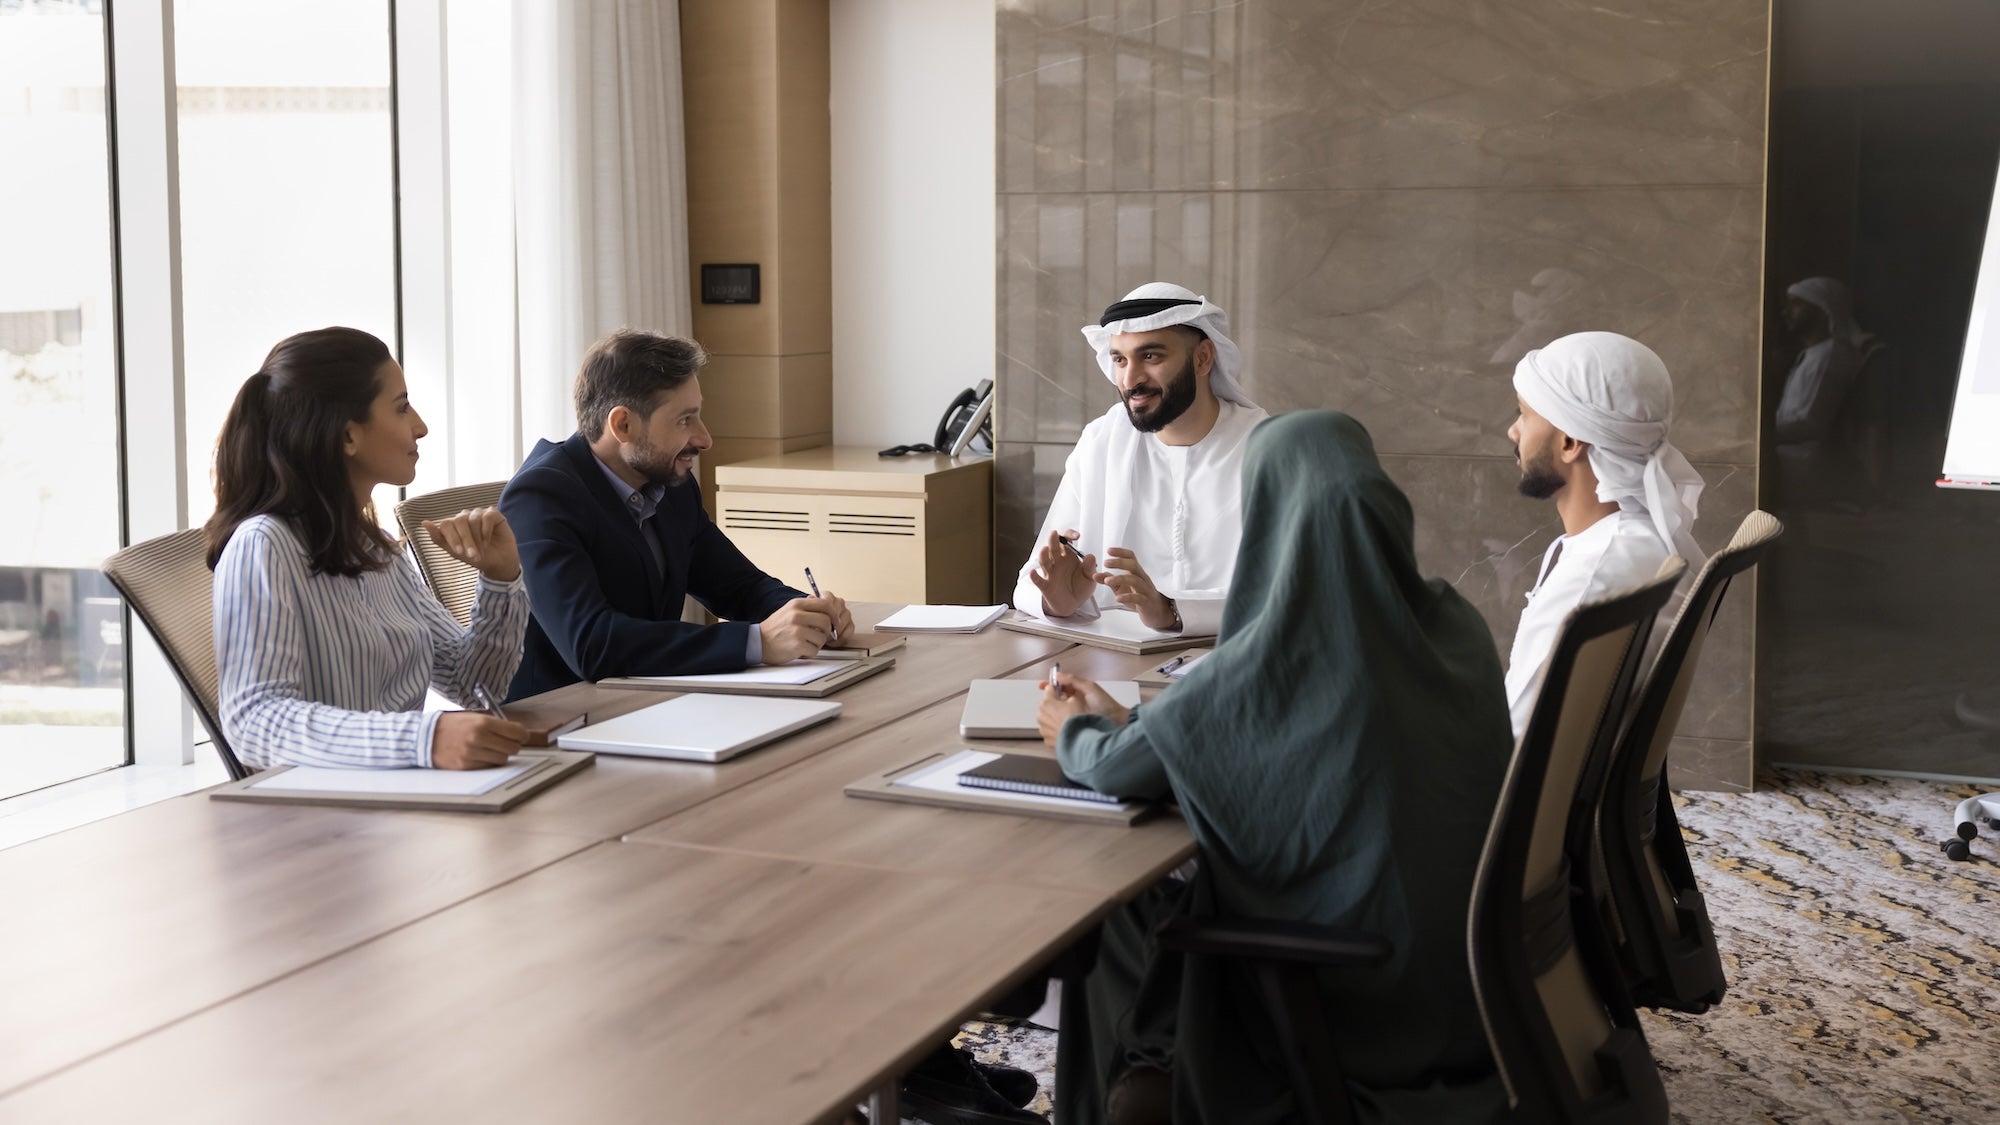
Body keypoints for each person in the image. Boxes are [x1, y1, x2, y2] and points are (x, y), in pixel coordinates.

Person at [1036, 411, 1512, 1125]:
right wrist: (1129, 722)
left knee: (1122, 895)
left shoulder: (1261, 664)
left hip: (1342, 991)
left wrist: (1073, 726)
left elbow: (1111, 768)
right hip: (1466, 982)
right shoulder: (1456, 626)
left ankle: (1134, 1089)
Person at [208, 327, 531, 771]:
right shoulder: (262, 545)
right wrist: (421, 740)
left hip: (401, 795)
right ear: (347, 437)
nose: (421, 426)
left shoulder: (377, 551)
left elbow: (473, 685)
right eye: (401, 407)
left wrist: (500, 578)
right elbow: (254, 722)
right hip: (323, 809)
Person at [500, 329, 850, 700]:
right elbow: (592, 644)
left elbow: (738, 586)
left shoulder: (669, 483)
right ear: (623, 425)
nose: (704, 439)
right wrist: (757, 642)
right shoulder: (540, 497)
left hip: (645, 699)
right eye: (685, 420)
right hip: (561, 716)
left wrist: (807, 615)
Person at [1011, 282, 1269, 636]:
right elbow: (1030, 581)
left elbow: (1298, 594)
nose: (1130, 379)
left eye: (1151, 357)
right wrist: (1057, 601)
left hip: (1240, 654)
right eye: (1120, 359)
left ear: (1203, 358)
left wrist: (1171, 611)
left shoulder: (1267, 447)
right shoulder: (1103, 441)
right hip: (1112, 657)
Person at [1503, 331, 1705, 739]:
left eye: (1524, 414)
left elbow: (1512, 741)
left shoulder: (1593, 578)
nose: (1513, 431)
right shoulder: (1638, 543)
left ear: (1569, 442)